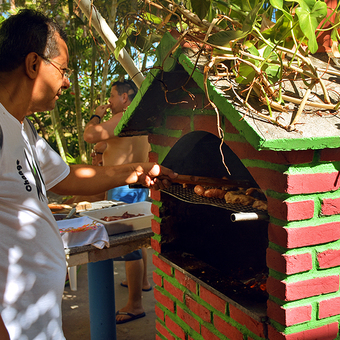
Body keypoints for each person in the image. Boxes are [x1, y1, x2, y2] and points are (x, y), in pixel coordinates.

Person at [0, 9, 177, 340]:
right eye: (63, 70)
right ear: (34, 65)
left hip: (40, 323)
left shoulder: (22, 129)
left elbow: (67, 177)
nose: (66, 81)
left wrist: (137, 172)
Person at [83, 80, 152, 324]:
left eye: (112, 96)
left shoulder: (123, 115)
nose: (109, 101)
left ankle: (134, 305)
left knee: (129, 246)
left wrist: (96, 116)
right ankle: (142, 282)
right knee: (137, 237)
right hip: (139, 185)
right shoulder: (139, 119)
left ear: (124, 98)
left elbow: (90, 135)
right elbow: (113, 143)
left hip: (122, 188)